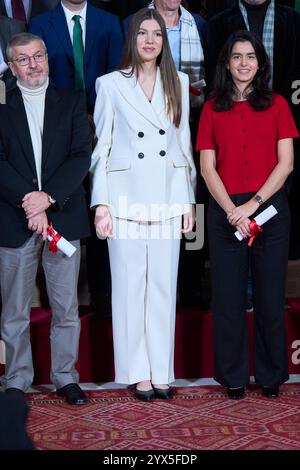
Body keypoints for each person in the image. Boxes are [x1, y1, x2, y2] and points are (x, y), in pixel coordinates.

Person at [89, 8, 196, 400]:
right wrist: (101, 203)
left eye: (157, 34)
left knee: (164, 287)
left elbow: (183, 145)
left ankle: (161, 370)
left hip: (168, 195)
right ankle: (138, 372)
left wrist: (189, 200)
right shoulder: (110, 85)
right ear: (131, 39)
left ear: (164, 41)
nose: (150, 40)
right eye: (143, 34)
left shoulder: (179, 82)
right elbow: (101, 149)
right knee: (130, 287)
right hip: (124, 198)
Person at [197, 31, 298, 399]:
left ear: (260, 63)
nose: (243, 63)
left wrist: (251, 207)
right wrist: (232, 211)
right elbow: (208, 168)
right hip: (225, 212)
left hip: (268, 207)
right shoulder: (211, 107)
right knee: (228, 297)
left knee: (271, 297)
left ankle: (271, 376)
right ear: (227, 63)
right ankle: (233, 377)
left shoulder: (278, 105)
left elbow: (286, 164)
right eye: (237, 56)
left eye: (250, 57)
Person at [0, 32, 92, 404]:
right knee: (14, 310)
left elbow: (81, 156)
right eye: (24, 59)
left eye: (38, 56)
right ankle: (17, 380)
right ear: (11, 67)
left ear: (47, 58)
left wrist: (47, 199)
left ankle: (65, 377)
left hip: (63, 219)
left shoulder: (71, 101)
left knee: (66, 307)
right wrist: (30, 202)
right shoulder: (1, 107)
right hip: (13, 219)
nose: (33, 64)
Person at [29, 0, 124, 317]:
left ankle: (103, 294)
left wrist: (98, 114)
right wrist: (72, 115)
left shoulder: (109, 22)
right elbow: (40, 74)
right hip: (58, 132)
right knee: (61, 206)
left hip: (105, 130)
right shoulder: (42, 23)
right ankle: (52, 295)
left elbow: (118, 74)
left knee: (102, 208)